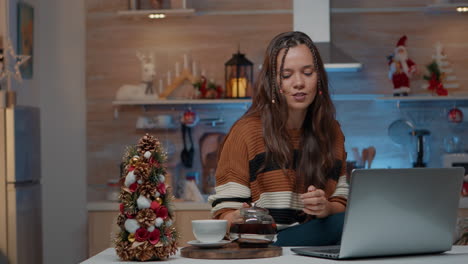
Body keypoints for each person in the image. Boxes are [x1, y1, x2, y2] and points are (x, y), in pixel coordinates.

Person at [208, 31, 349, 246]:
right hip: (265, 245)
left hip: (317, 248)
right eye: (286, 75)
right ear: (273, 82)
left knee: (349, 221)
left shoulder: (331, 132)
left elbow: (341, 203)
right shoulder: (246, 132)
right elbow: (224, 213)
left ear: (318, 78)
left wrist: (326, 208)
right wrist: (236, 217)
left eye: (308, 72)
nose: (299, 82)